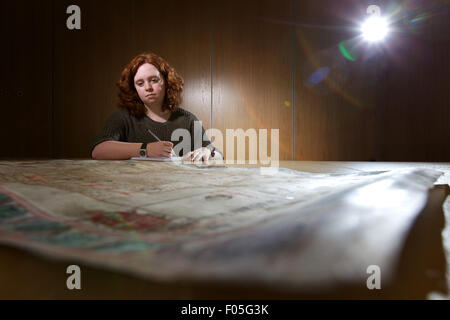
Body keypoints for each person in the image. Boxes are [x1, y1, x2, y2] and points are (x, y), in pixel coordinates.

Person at [90, 52, 222, 161]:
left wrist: (207, 151)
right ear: (134, 89)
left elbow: (218, 156)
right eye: (140, 83)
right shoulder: (124, 116)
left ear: (167, 82)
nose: (148, 87)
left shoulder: (187, 119)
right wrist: (146, 149)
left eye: (154, 80)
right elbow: (98, 151)